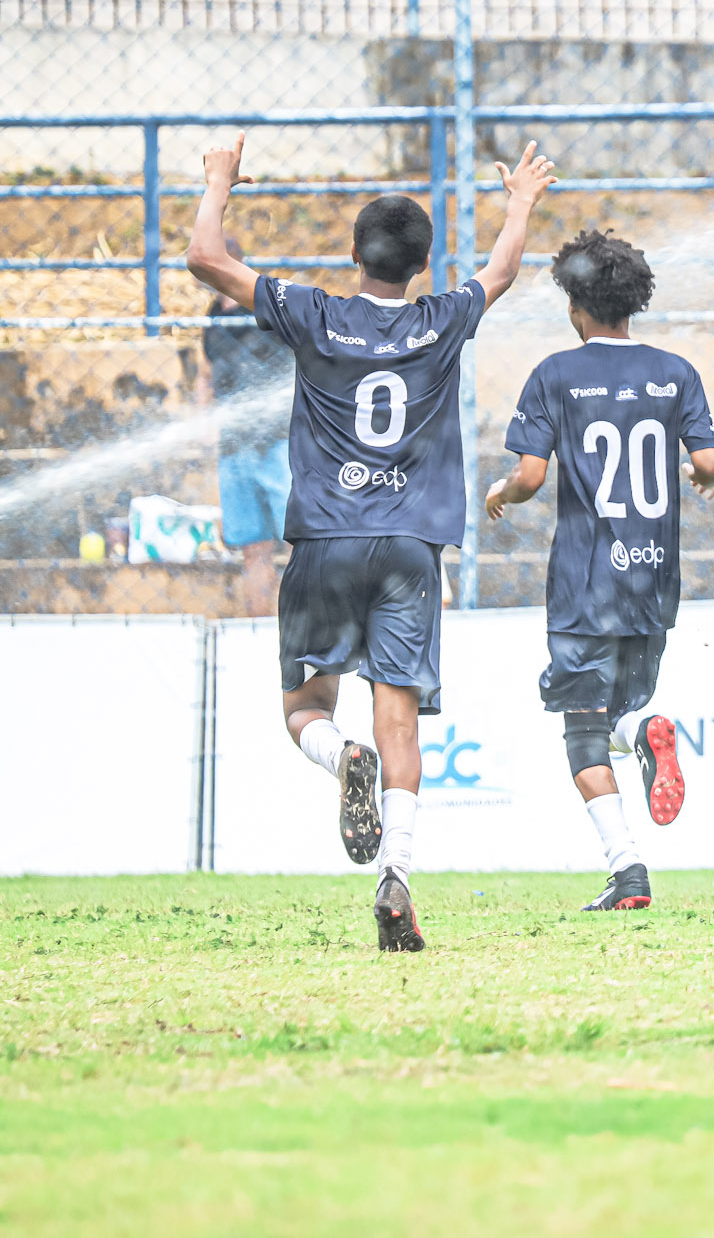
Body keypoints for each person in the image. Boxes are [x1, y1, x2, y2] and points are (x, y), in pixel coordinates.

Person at [186, 130, 556, 951]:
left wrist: (220, 181)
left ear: (353, 255)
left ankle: (336, 755)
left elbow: (205, 258)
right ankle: (396, 874)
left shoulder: (315, 312)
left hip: (325, 539)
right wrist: (521, 202)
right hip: (410, 549)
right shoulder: (441, 320)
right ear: (423, 266)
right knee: (401, 725)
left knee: (305, 706)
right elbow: (500, 271)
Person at [486, 230, 714, 912]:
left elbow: (531, 476)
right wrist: (701, 476)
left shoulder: (556, 374)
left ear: (574, 305)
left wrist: (503, 491)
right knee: (613, 713)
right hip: (652, 578)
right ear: (635, 302)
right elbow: (710, 462)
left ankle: (628, 867)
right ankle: (641, 750)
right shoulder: (676, 372)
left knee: (582, 730)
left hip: (585, 581)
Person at [198, 236, 294, 616]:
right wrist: (205, 422)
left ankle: (303, 629)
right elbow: (205, 373)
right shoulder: (213, 317)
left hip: (279, 443)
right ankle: (257, 624)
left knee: (301, 543)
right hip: (235, 449)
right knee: (253, 550)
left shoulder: (268, 305)